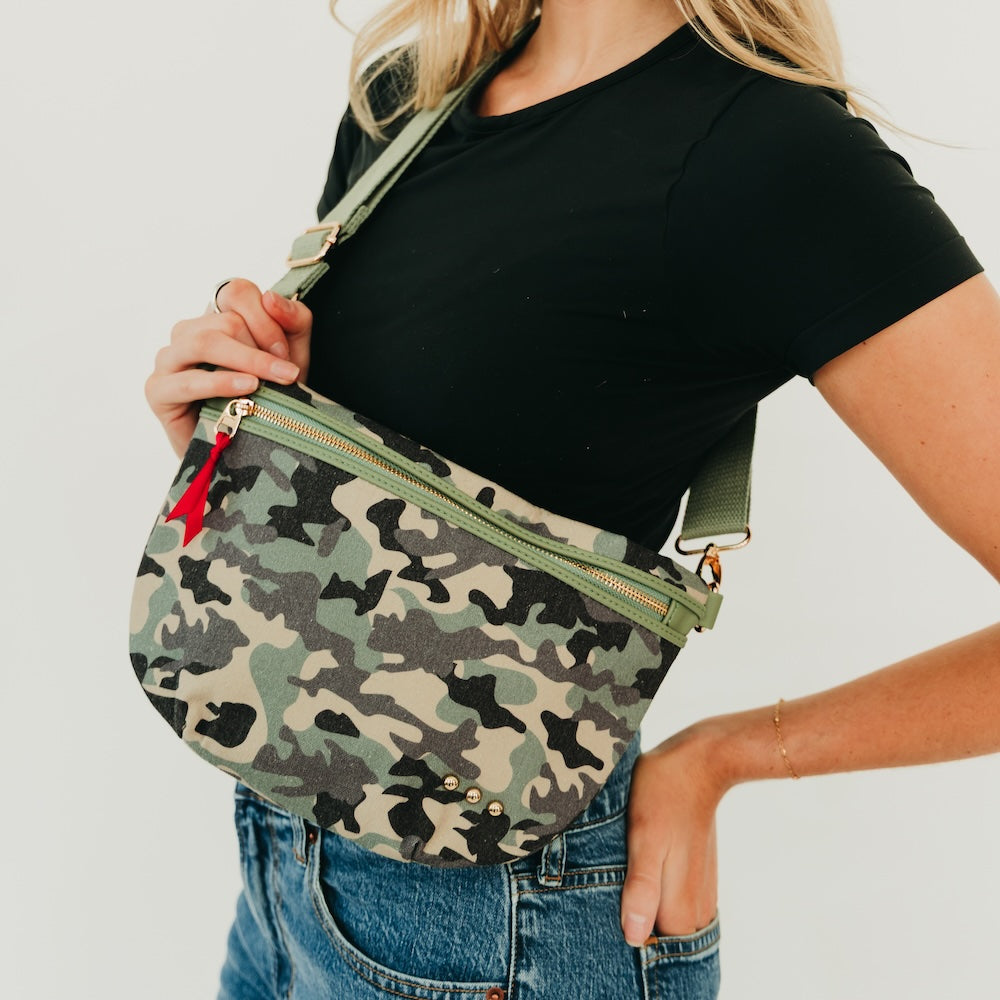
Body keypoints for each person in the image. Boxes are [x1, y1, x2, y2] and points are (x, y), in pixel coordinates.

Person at [143, 1, 1000, 997]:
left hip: (501, 920)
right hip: (277, 861)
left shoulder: (777, 157)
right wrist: (236, 428)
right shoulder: (409, 98)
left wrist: (723, 756)